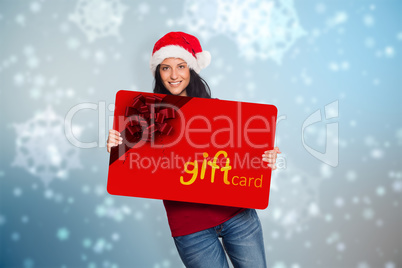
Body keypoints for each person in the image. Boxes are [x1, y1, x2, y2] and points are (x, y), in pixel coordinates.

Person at [107, 31, 281, 268]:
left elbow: (252, 159)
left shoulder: (220, 112)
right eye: (166, 68)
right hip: (190, 228)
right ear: (158, 72)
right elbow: (136, 167)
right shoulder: (146, 118)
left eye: (180, 66)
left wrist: (271, 159)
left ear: (191, 69)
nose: (174, 75)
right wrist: (118, 148)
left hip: (237, 217)